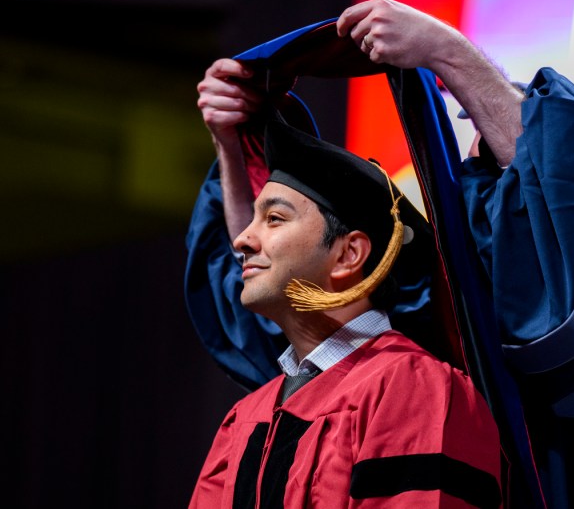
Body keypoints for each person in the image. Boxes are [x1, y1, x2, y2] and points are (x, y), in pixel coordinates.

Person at [188, 55, 503, 506]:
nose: (241, 239)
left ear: (348, 255)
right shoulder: (244, 420)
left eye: (274, 219)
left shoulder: (417, 390)